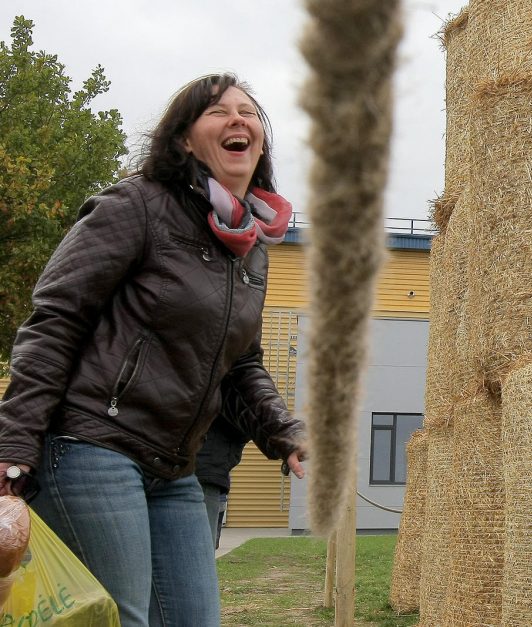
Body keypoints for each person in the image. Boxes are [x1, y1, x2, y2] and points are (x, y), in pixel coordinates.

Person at [0, 73, 305, 627]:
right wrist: (15, 439)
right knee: (123, 619)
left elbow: (240, 365)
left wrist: (285, 432)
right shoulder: (137, 206)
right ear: (185, 140)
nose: (239, 119)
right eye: (217, 112)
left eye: (249, 112)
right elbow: (55, 319)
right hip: (94, 446)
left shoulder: (250, 250)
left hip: (175, 466)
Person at [197, 375, 303, 549]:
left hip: (200, 472)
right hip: (143, 463)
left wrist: (284, 434)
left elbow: (248, 384)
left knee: (194, 564)